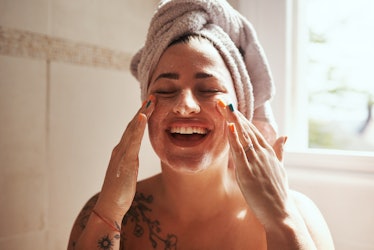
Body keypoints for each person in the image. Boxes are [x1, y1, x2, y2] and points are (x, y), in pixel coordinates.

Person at [68, 0, 334, 249]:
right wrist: (109, 211)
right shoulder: (102, 213)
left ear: (240, 109)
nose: (184, 105)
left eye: (208, 89)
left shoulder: (299, 215)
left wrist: (281, 218)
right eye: (166, 90)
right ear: (145, 107)